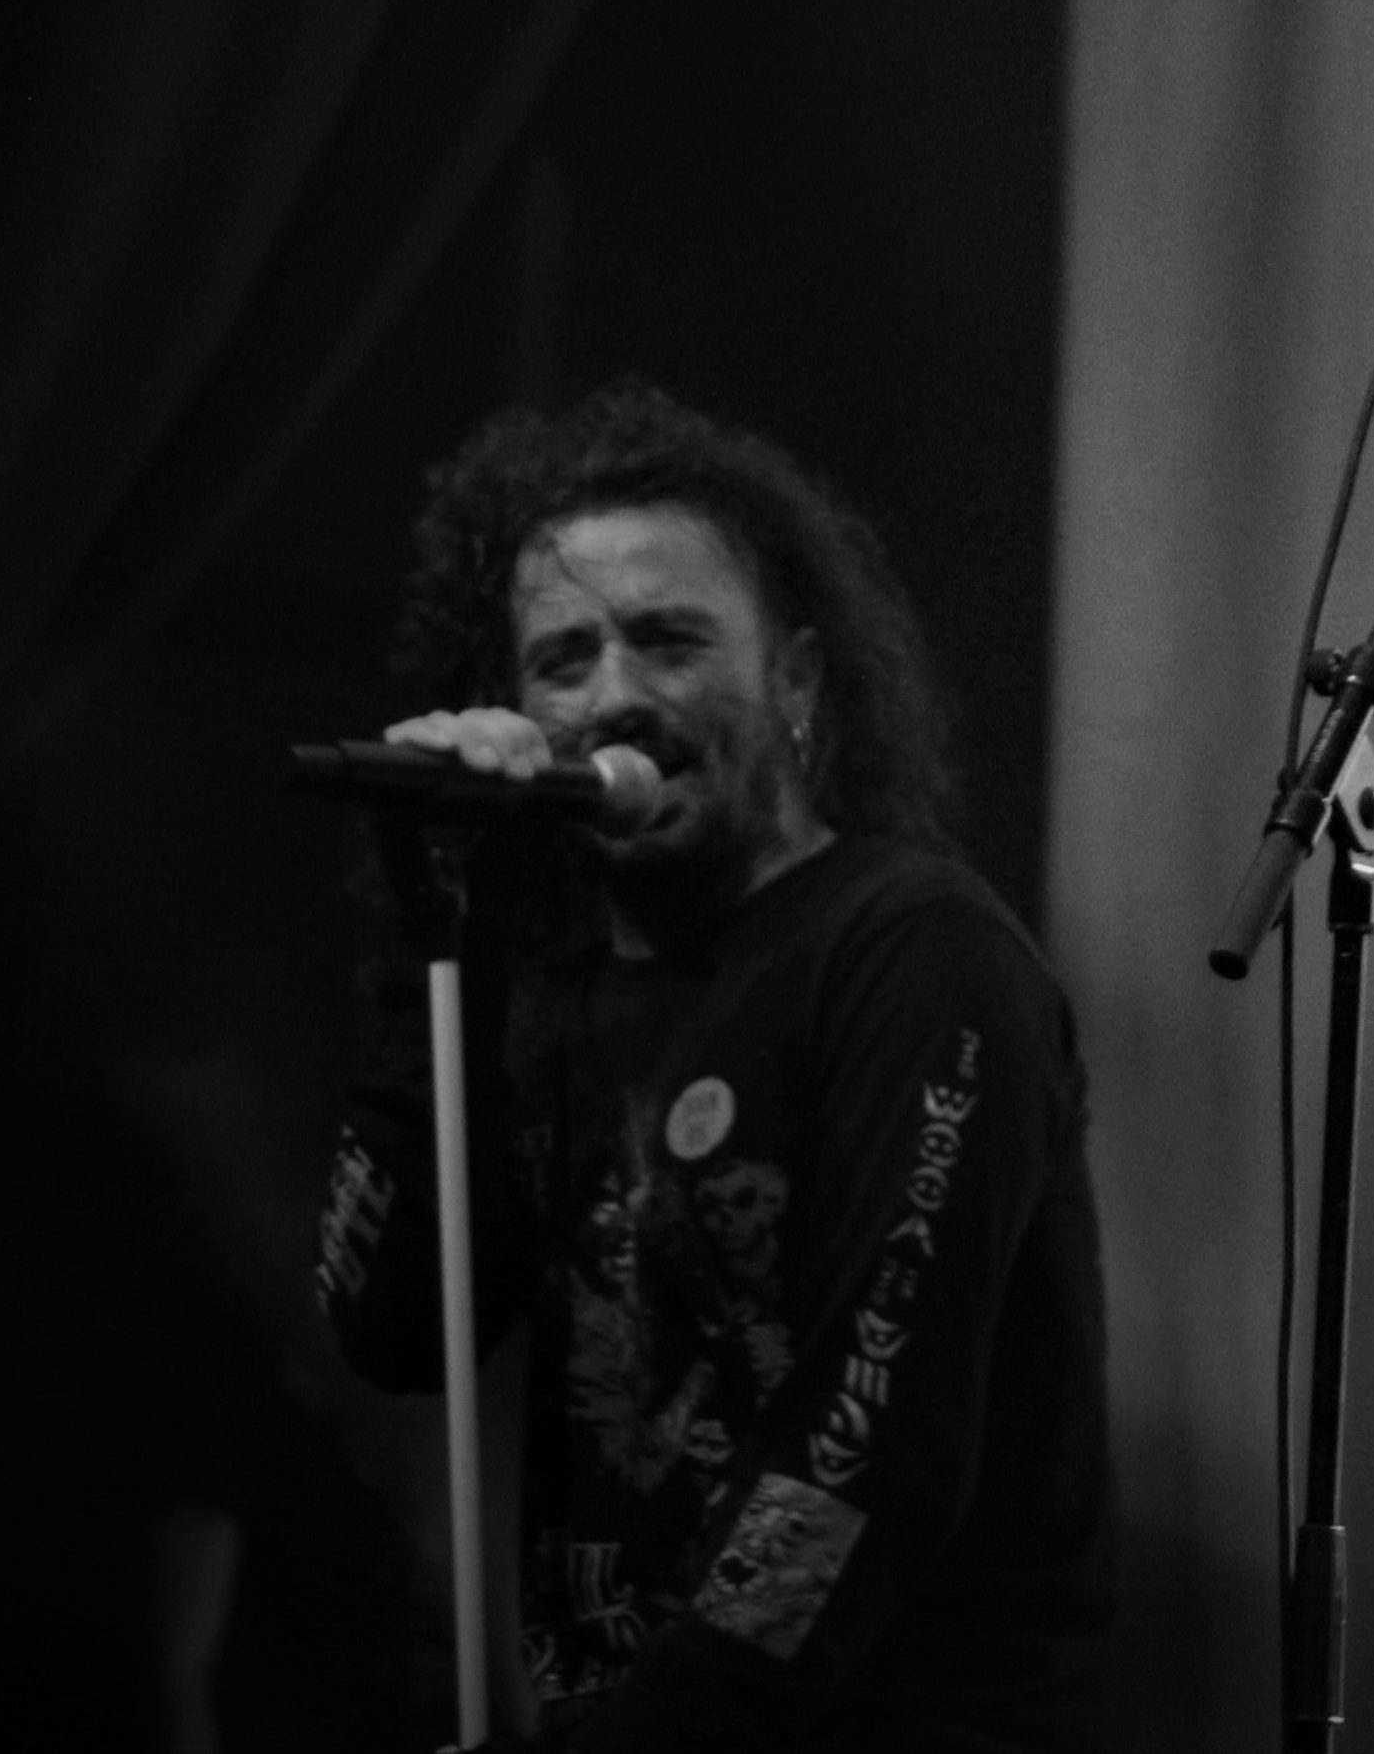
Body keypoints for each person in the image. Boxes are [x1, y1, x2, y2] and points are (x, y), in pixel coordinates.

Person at [315, 382, 1107, 1751]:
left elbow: (873, 1446)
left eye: (668, 640)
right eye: (564, 659)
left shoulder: (914, 953)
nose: (616, 696)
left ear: (796, 682)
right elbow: (386, 1325)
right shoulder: (543, 1000)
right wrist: (433, 918)